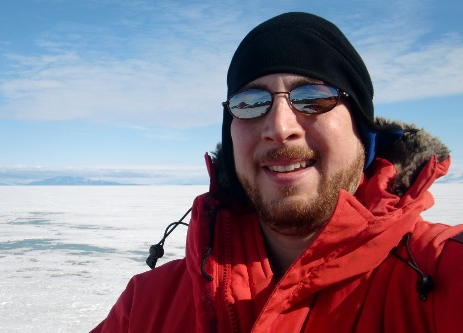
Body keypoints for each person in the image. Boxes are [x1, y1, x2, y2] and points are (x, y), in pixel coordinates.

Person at [91, 12, 463, 332]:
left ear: (362, 132)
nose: (279, 127)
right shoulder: (146, 307)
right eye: (251, 103)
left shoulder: (443, 272)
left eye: (313, 97)